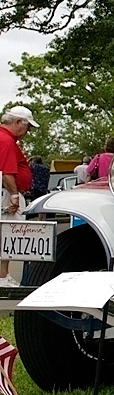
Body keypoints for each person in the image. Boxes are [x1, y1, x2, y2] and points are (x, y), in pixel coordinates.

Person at [0, 105, 38, 287]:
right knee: (10, 235)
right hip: (7, 192)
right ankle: (2, 277)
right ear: (17, 122)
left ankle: (3, 275)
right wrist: (14, 196)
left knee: (8, 234)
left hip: (7, 191)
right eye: (27, 127)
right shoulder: (6, 141)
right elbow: (7, 172)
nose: (27, 132)